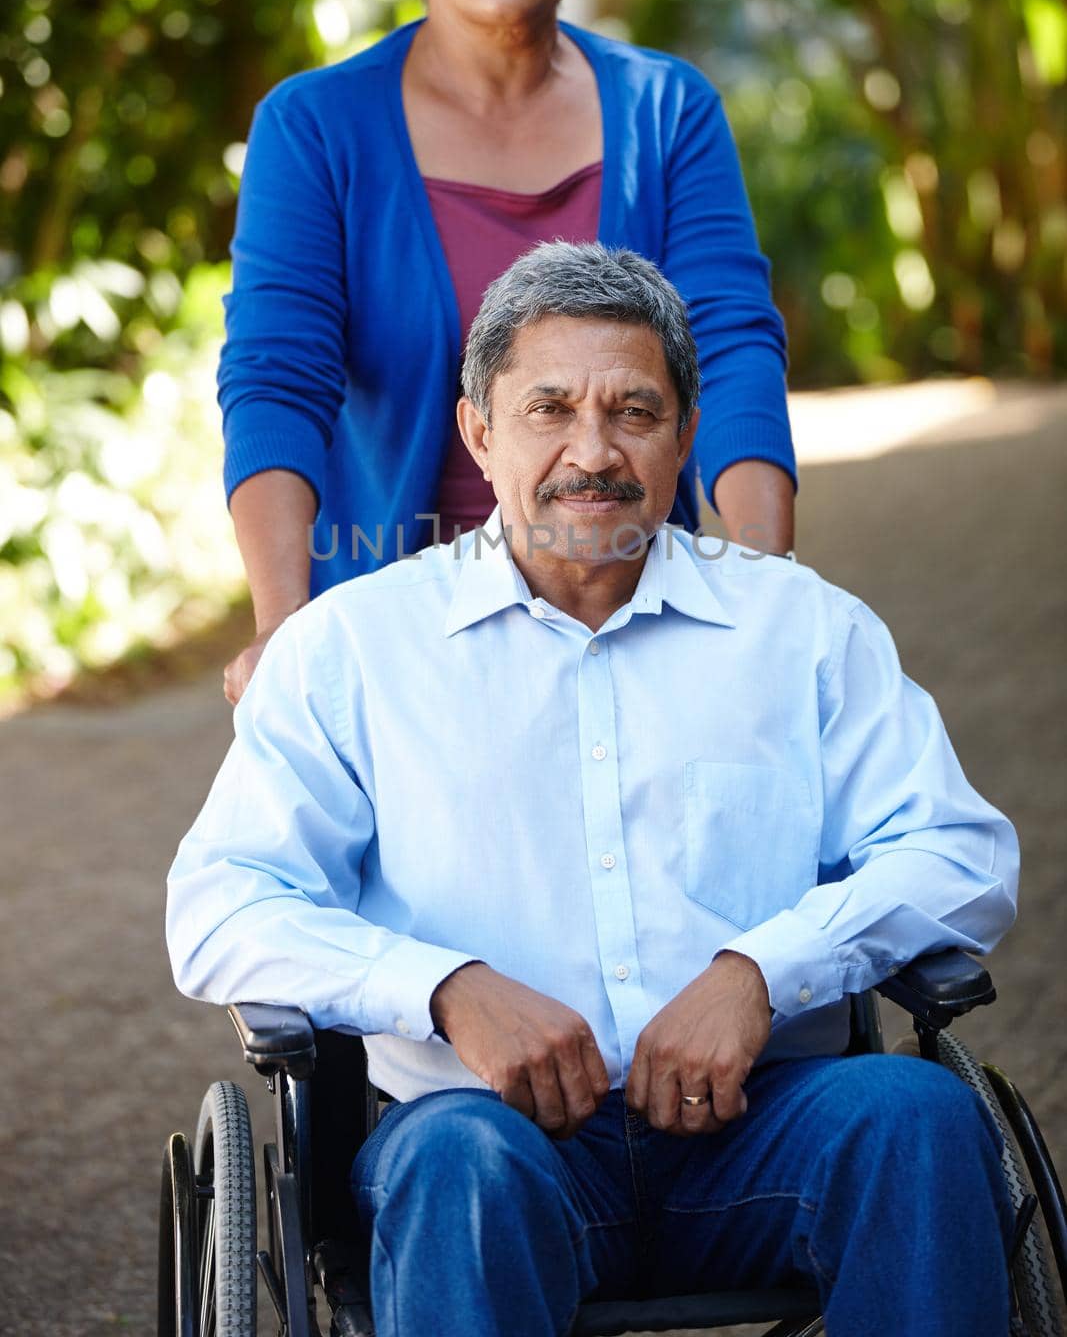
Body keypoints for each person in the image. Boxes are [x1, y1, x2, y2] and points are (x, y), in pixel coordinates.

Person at [170, 242, 1019, 1337]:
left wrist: (760, 972)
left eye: (632, 411)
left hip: (765, 1130)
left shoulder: (802, 630)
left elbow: (954, 851)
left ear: (684, 433)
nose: (592, 450)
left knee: (915, 1116)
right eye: (548, 409)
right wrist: (445, 988)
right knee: (455, 1158)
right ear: (478, 431)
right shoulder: (354, 649)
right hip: (488, 1148)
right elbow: (221, 902)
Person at [220, 0, 797, 705]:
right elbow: (278, 378)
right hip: (394, 623)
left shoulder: (669, 111)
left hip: (633, 611)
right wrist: (284, 633)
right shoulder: (314, 127)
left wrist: (769, 594)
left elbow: (731, 349)